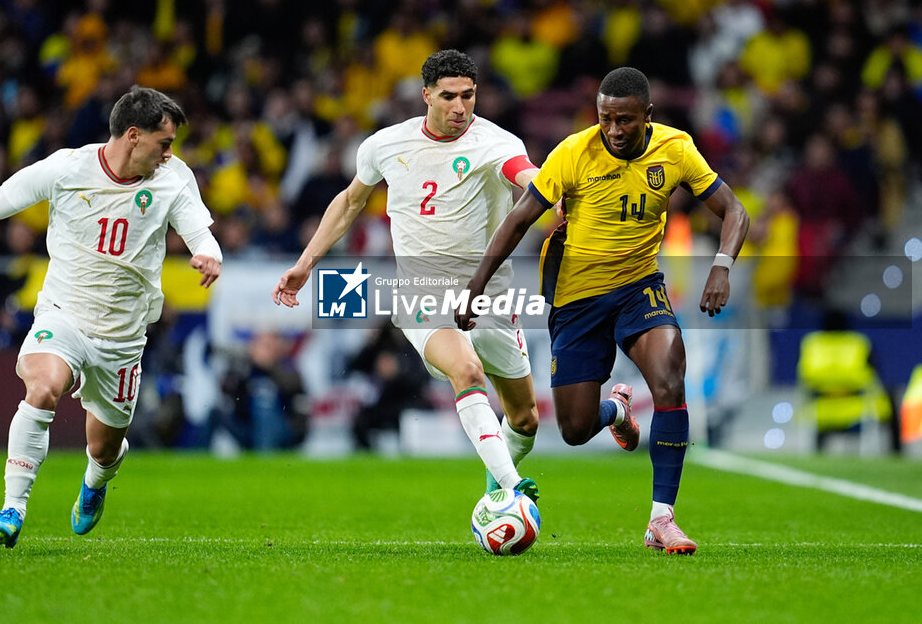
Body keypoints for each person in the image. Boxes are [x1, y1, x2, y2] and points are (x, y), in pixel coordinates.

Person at [456, 67, 749, 554]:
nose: (613, 130)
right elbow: (519, 218)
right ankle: (615, 411)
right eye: (606, 119)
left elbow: (734, 211)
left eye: (625, 121)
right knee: (573, 430)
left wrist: (721, 266)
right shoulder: (573, 153)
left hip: (640, 287)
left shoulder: (675, 149)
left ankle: (662, 518)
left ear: (647, 116)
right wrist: (476, 286)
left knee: (671, 378)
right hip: (576, 300)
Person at [0, 86, 223, 548]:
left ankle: (95, 482)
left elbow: (200, 231)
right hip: (64, 314)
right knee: (41, 388)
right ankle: (12, 508)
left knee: (104, 448)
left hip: (123, 337)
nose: (169, 154)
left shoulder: (174, 177)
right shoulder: (67, 168)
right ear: (132, 135)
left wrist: (208, 254)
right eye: (164, 144)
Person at [272, 49, 550, 502]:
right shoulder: (385, 145)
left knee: (524, 420)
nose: (460, 108)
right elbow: (349, 202)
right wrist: (306, 262)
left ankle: (499, 484)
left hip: (489, 297)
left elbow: (525, 176)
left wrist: (550, 193)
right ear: (426, 95)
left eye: (468, 96)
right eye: (448, 97)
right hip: (421, 293)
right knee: (466, 369)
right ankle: (510, 488)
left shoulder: (497, 142)